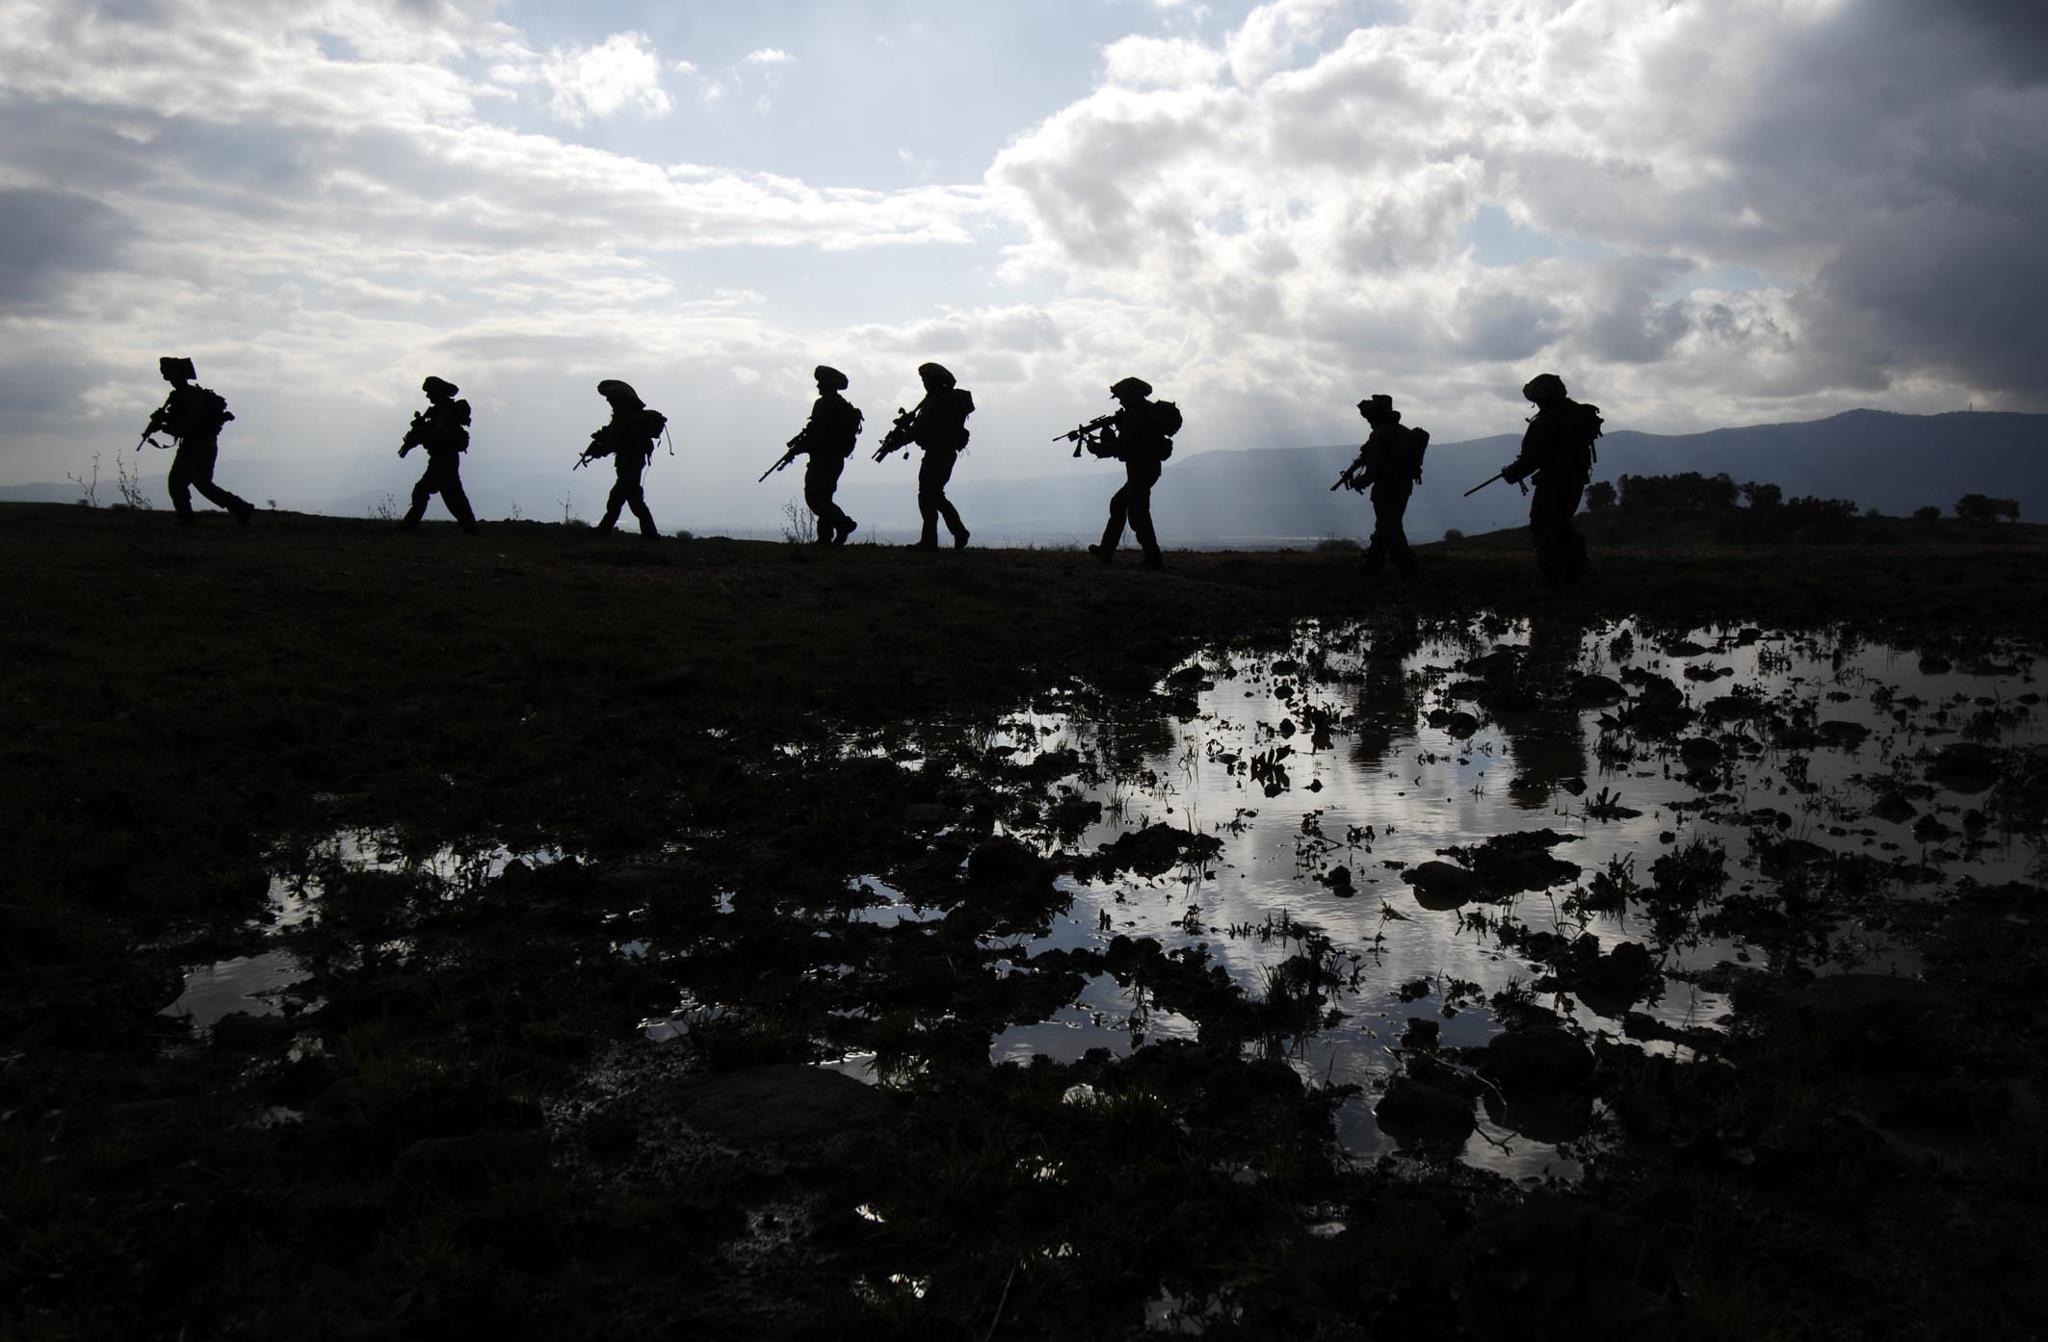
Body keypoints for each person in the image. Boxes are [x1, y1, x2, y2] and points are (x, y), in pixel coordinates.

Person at [1499, 373, 1600, 585]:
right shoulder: (1575, 415)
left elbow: (1530, 460)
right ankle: (1574, 572)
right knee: (1561, 525)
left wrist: (1511, 473)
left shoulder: (1544, 423)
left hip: (1553, 484)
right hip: (1576, 480)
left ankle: (1553, 578)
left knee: (1543, 527)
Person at [142, 356, 254, 526]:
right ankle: (188, 519)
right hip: (195, 445)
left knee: (200, 485)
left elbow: (187, 426)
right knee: (178, 484)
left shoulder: (191, 397)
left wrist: (164, 425)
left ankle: (240, 507)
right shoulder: (181, 396)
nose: (170, 380)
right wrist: (163, 422)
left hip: (199, 446)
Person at [1085, 376, 1181, 569]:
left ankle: (1153, 560)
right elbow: (1129, 442)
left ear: (1131, 395)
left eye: (1121, 396)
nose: (1120, 401)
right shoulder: (1140, 413)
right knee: (1119, 504)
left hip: (1142, 469)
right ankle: (1106, 550)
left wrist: (1097, 448)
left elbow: (1122, 445)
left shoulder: (1136, 416)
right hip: (1145, 469)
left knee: (1138, 514)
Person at [876, 362, 972, 550]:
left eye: (925, 379)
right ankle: (958, 532)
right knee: (935, 496)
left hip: (938, 454)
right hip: (943, 453)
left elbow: (918, 429)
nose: (924, 383)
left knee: (927, 496)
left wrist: (897, 443)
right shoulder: (942, 400)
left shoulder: (937, 402)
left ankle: (931, 540)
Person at [1336, 394, 1427, 577]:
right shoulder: (1402, 432)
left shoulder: (1379, 436)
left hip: (1386, 490)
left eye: (1369, 417)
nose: (1368, 421)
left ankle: (1409, 570)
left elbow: (1373, 471)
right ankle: (1372, 566)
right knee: (1384, 528)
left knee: (1390, 530)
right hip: (1403, 488)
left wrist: (1358, 482)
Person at [582, 379, 666, 537]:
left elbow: (614, 441)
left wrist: (599, 450)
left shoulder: (624, 416)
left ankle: (649, 534)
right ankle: (606, 529)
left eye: (610, 397)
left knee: (632, 501)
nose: (608, 400)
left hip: (629, 462)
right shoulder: (628, 415)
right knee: (618, 498)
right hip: (632, 461)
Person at [791, 365, 862, 544]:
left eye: (820, 383)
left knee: (815, 497)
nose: (818, 387)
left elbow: (817, 433)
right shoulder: (842, 405)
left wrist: (801, 448)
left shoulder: (824, 404)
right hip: (835, 459)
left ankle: (843, 523)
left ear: (827, 384)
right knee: (825, 497)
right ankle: (825, 538)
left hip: (823, 458)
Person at [398, 375, 478, 534]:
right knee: (450, 494)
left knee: (439, 493)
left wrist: (422, 435)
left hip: (444, 458)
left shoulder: (445, 412)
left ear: (437, 392)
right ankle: (470, 526)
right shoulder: (439, 411)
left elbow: (440, 435)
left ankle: (409, 525)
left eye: (429, 392)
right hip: (442, 458)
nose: (427, 396)